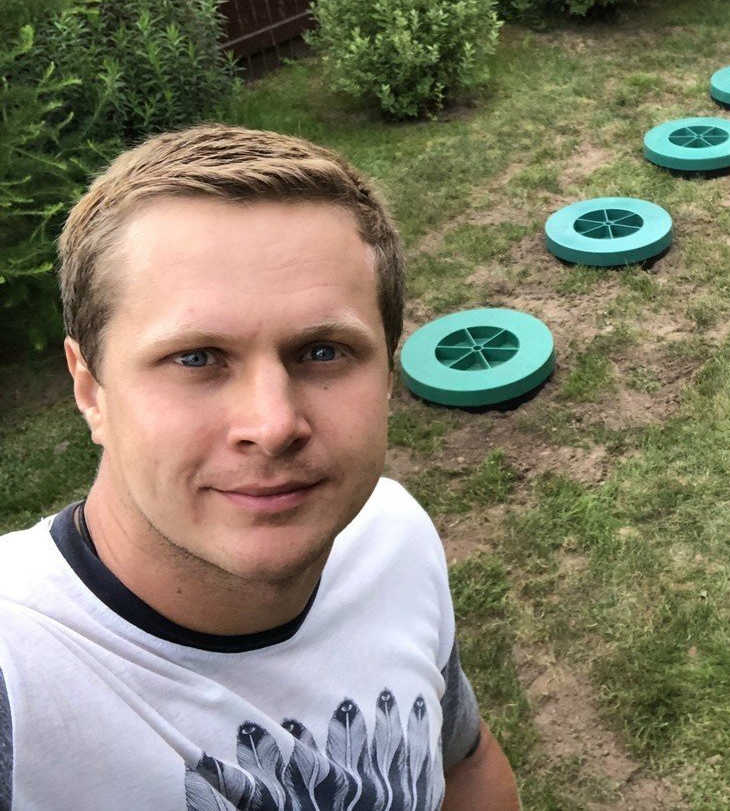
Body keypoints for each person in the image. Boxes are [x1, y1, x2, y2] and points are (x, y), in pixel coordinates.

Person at [0, 125, 521, 810]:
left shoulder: (392, 535)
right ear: (90, 388)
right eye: (195, 358)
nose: (273, 426)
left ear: (388, 375)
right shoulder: (17, 675)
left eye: (323, 352)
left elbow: (464, 762)